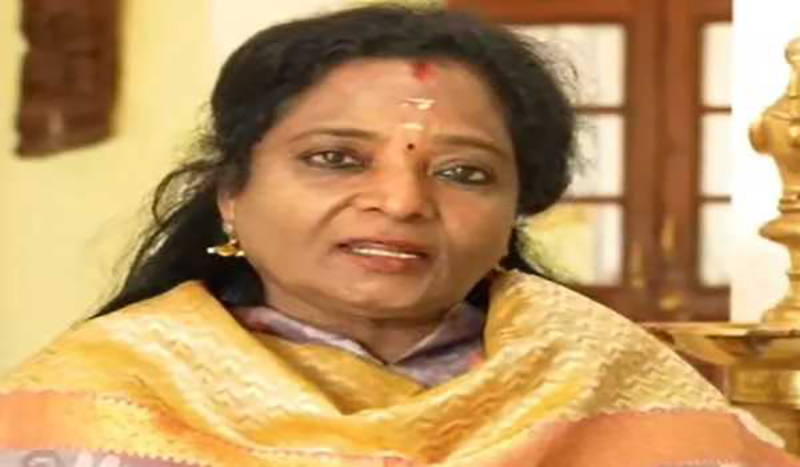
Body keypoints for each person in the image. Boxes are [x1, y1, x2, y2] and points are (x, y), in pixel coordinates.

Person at [0, 4, 796, 466]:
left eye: (465, 172)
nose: (401, 200)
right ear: (231, 194)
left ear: (513, 213)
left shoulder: (614, 382)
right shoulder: (97, 402)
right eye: (336, 159)